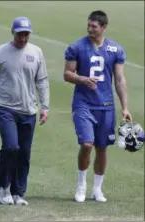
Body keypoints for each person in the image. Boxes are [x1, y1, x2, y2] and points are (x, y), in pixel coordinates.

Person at [63, 10, 132, 203]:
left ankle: (97, 189)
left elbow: (119, 79)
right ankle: (81, 185)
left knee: (102, 148)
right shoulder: (76, 47)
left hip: (106, 105)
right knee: (86, 144)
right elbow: (67, 74)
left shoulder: (115, 50)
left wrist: (124, 107)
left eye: (94, 26)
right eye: (89, 25)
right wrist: (83, 79)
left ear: (103, 27)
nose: (90, 29)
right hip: (83, 103)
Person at [0, 16, 49, 205]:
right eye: (20, 34)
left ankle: (18, 193)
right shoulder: (0, 52)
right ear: (13, 32)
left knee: (24, 153)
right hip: (5, 108)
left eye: (26, 34)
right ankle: (4, 188)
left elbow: (42, 80)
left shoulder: (36, 53)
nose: (23, 38)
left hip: (29, 110)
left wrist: (45, 106)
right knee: (11, 147)